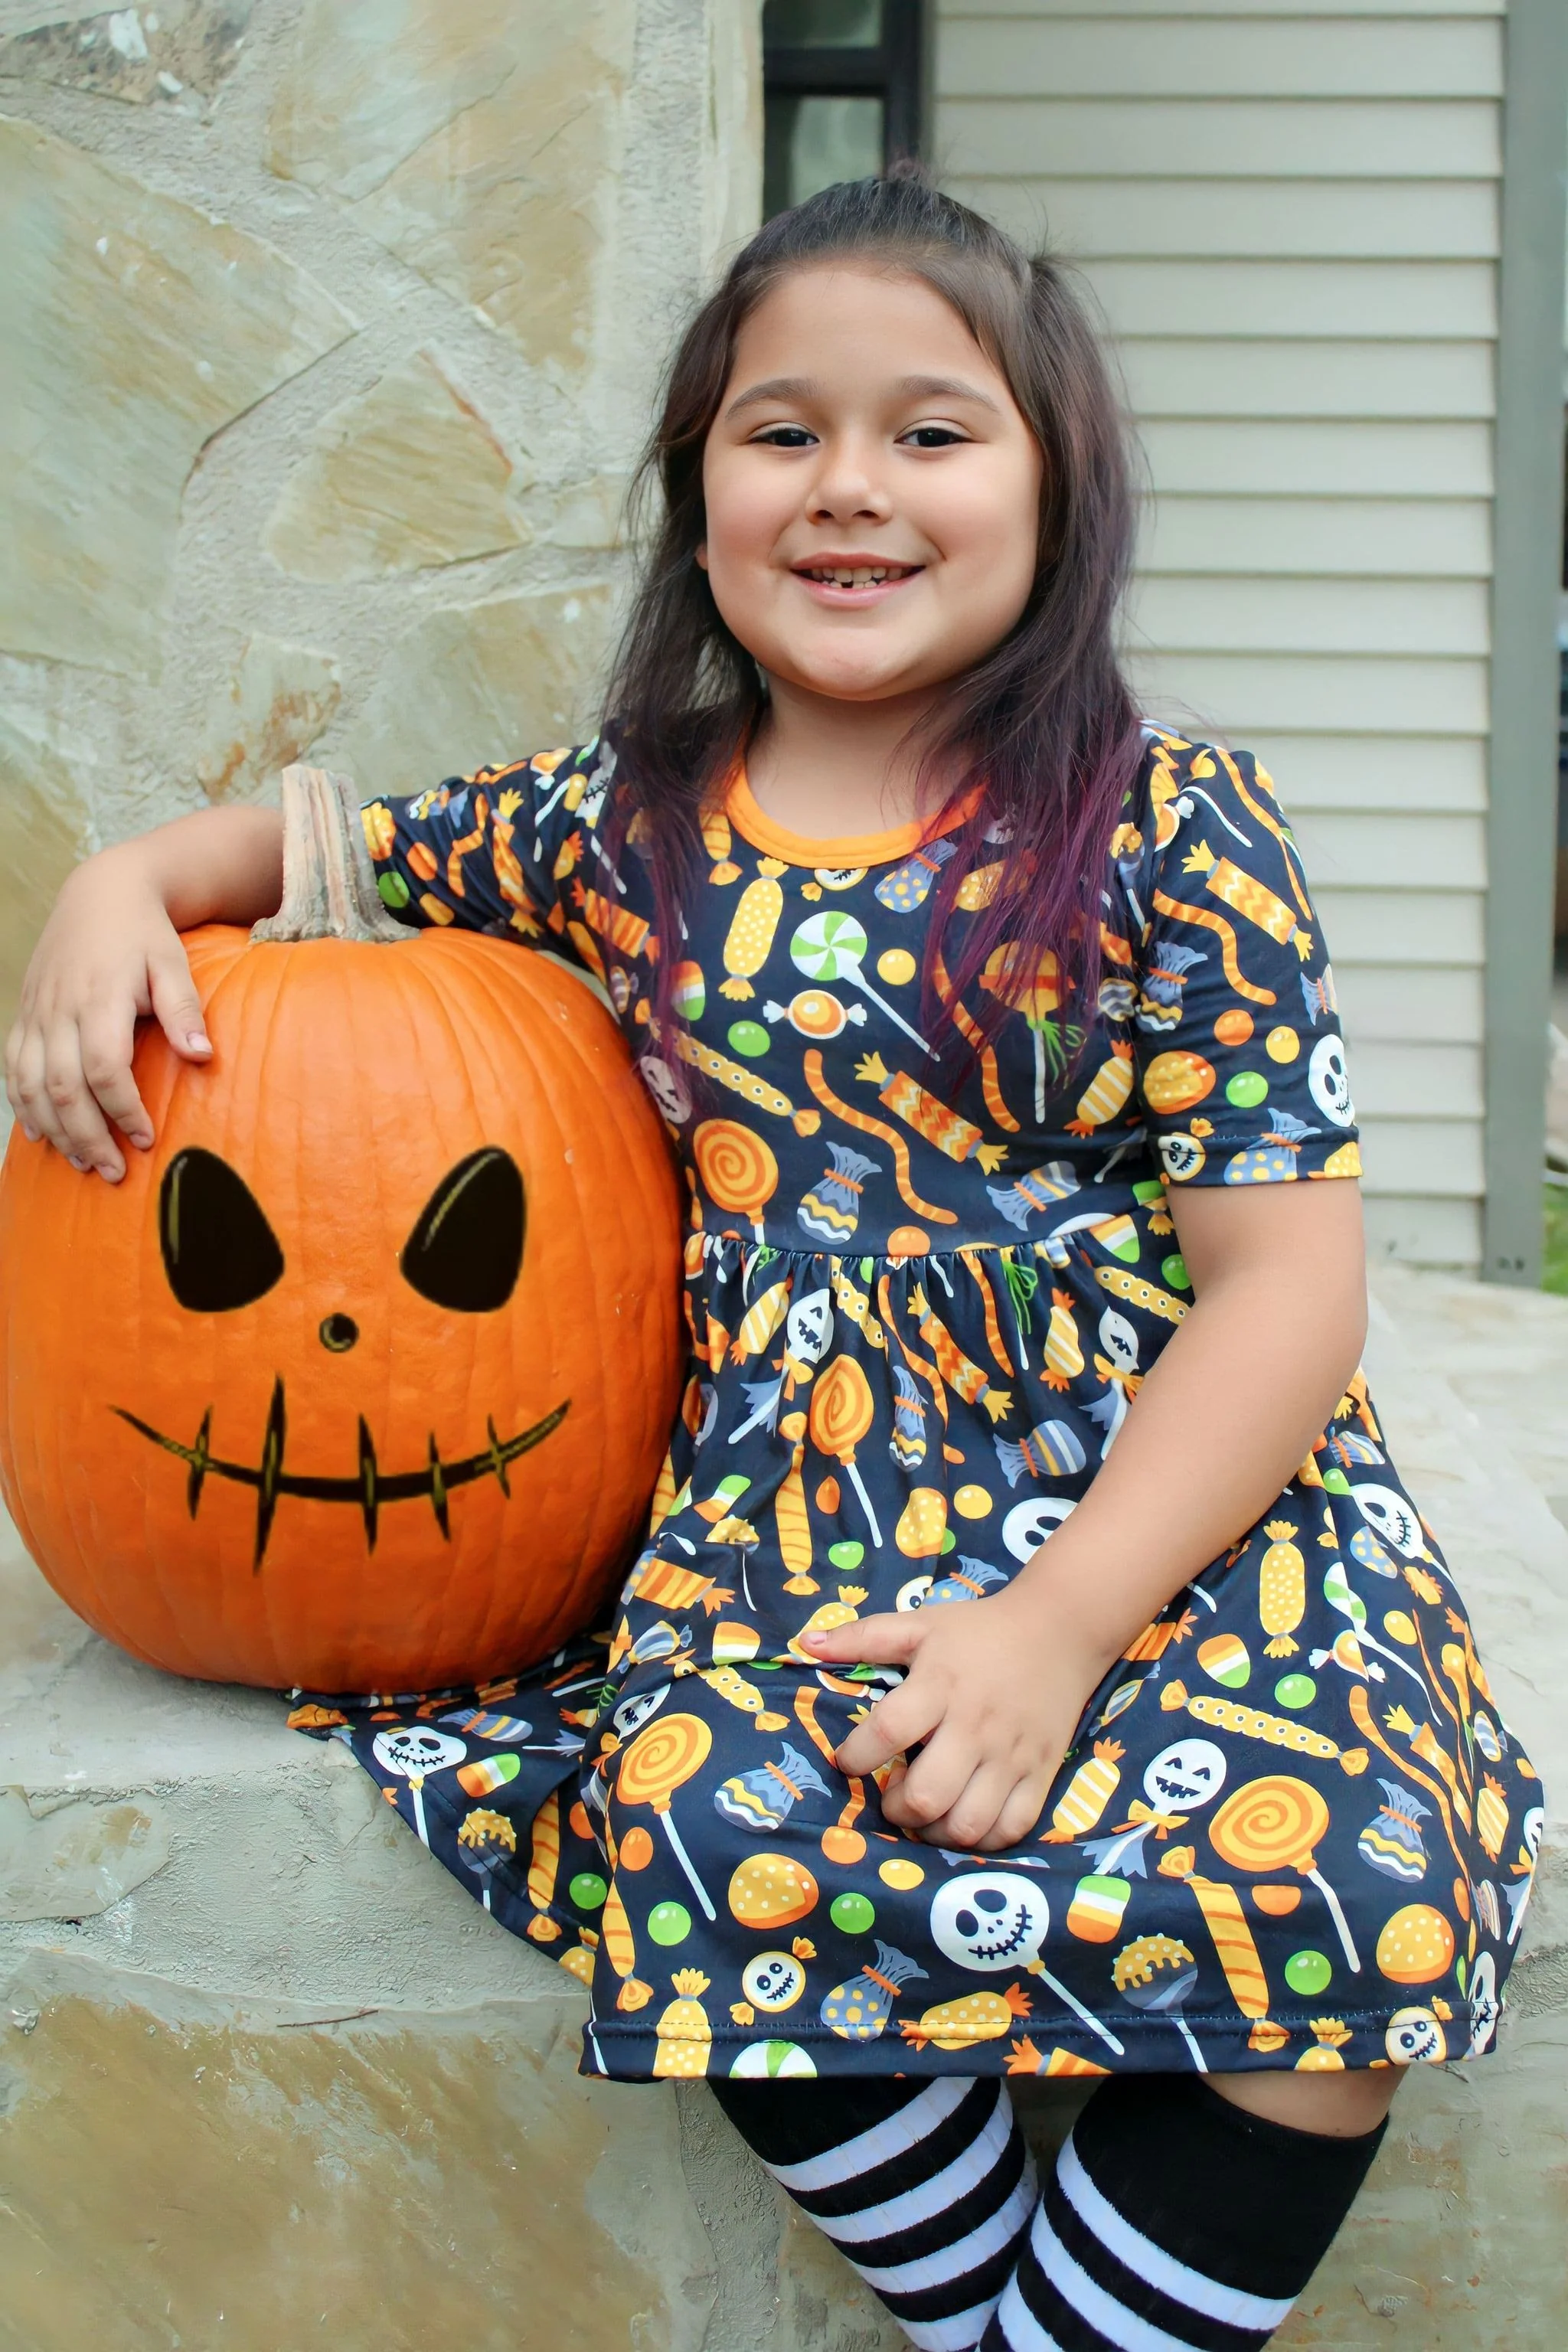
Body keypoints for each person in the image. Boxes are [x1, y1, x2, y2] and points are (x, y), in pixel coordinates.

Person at [7, 172, 1540, 2352]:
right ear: (697, 492)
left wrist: (1062, 1625)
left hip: (1165, 1508)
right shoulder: (623, 822)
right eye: (780, 429)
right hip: (793, 1508)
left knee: (1346, 1877)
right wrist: (119, 883)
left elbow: (1286, 1285)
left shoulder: (1170, 823)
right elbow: (326, 847)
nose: (851, 488)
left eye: (933, 431)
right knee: (708, 1833)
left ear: (1056, 485)